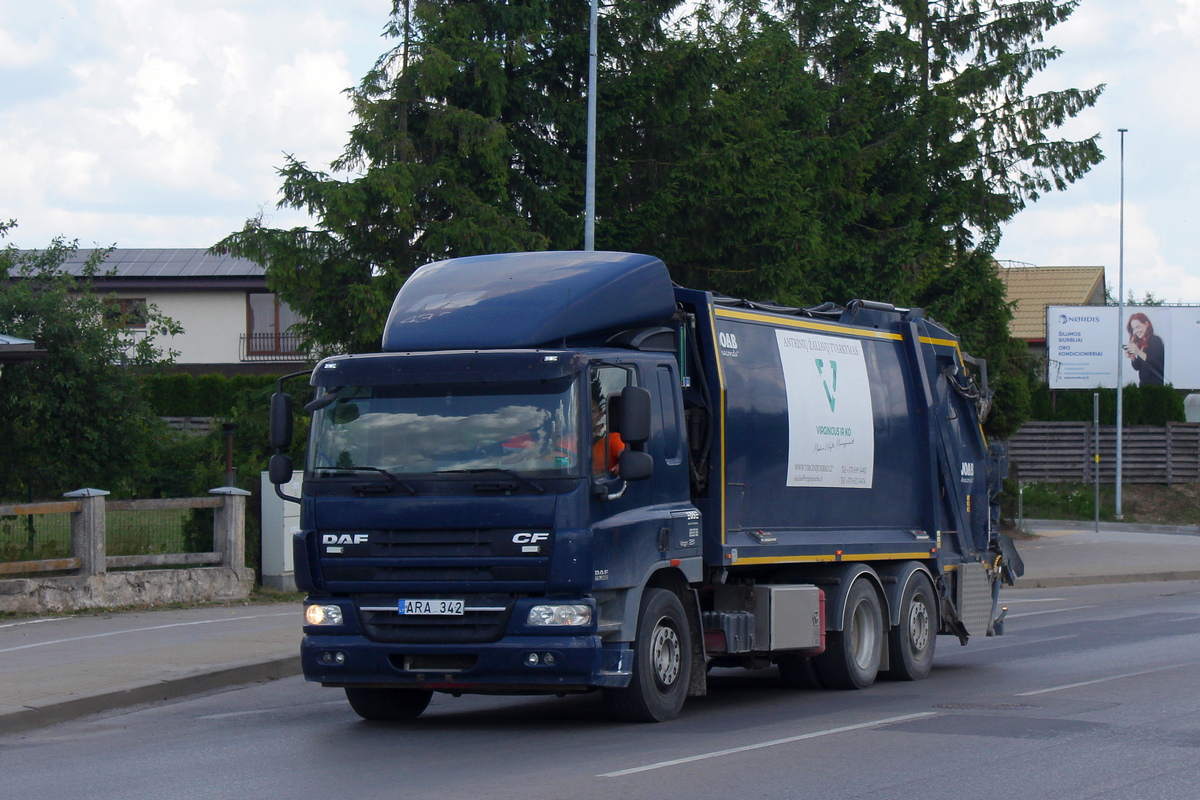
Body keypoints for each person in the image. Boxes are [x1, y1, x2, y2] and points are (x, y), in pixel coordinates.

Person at [1123, 312, 1165, 386]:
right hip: (1143, 385)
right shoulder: (1141, 343)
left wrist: (1139, 352)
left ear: (1146, 324)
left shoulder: (1155, 340)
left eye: (1138, 327)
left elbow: (1156, 363)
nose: (1136, 331)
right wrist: (1132, 358)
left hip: (1156, 385)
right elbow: (1138, 367)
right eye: (1134, 329)